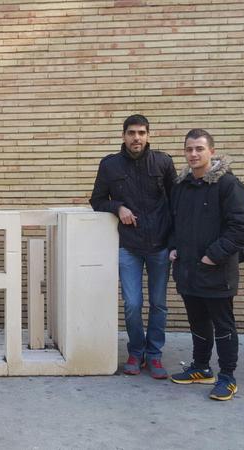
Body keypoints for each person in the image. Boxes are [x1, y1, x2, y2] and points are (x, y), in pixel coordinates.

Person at [169, 129, 244, 401]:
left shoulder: (228, 185)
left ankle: (227, 377)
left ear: (212, 151)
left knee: (223, 325)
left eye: (199, 149)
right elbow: (175, 222)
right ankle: (201, 367)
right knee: (197, 321)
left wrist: (212, 256)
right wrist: (174, 247)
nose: (193, 154)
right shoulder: (181, 186)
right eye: (189, 149)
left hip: (217, 271)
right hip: (187, 270)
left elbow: (242, 229)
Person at [90, 114, 176, 378]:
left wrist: (174, 242)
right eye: (131, 133)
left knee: (159, 304)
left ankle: (155, 355)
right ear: (123, 135)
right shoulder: (110, 165)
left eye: (141, 132)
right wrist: (118, 207)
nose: (136, 138)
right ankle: (136, 352)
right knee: (132, 304)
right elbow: (97, 200)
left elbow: (176, 204)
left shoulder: (163, 162)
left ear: (148, 135)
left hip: (160, 245)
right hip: (128, 245)